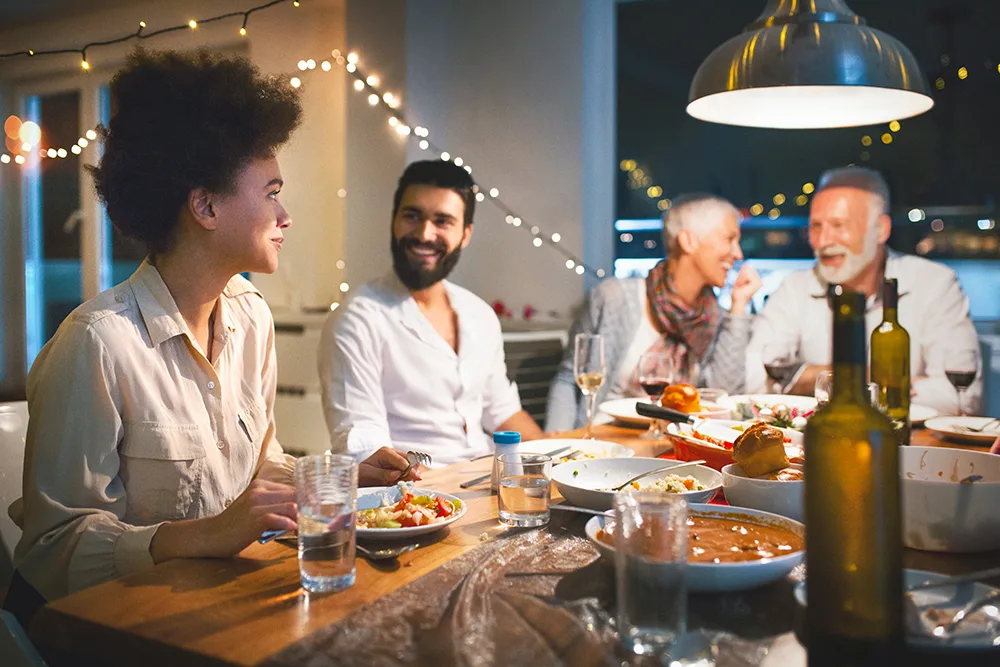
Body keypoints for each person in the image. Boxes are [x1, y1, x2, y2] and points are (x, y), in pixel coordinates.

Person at [4, 50, 416, 623]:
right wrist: (202, 535)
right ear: (204, 204)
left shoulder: (251, 317)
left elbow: (258, 465)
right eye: (271, 191)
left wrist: (333, 476)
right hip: (113, 634)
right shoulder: (98, 344)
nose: (285, 214)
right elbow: (52, 551)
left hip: (217, 605)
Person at [319, 160, 544, 467]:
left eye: (442, 221)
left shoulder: (479, 314)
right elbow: (363, 446)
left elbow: (504, 413)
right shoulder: (358, 319)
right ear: (394, 221)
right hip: (417, 497)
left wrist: (557, 461)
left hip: (488, 484)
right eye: (412, 216)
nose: (425, 234)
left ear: (465, 234)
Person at [746, 166, 981, 414]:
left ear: (881, 229)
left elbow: (962, 397)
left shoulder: (934, 283)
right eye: (815, 226)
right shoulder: (794, 287)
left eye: (839, 225)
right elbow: (754, 380)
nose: (823, 241)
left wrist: (810, 378)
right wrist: (886, 380)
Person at [545, 194, 762, 432]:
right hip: (603, 442)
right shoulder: (614, 297)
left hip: (670, 449)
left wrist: (739, 305)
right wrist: (558, 445)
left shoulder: (715, 319)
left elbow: (725, 396)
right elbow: (568, 379)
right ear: (688, 241)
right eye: (729, 239)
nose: (738, 253)